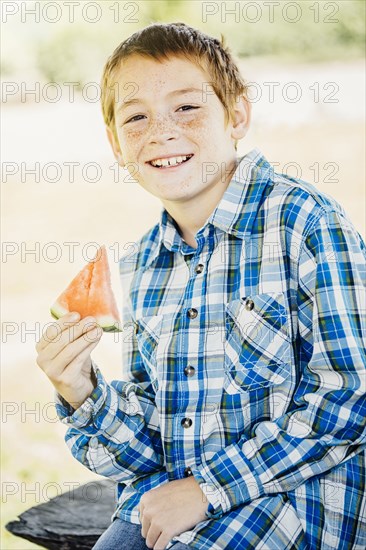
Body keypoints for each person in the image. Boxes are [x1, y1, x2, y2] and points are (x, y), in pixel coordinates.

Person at [36, 22, 366, 550]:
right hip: (168, 508)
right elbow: (150, 448)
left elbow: (349, 401)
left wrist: (207, 489)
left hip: (290, 508)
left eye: (186, 107)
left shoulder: (304, 222)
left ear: (236, 115)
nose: (161, 132)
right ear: (116, 144)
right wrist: (80, 391)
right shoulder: (143, 265)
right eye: (136, 117)